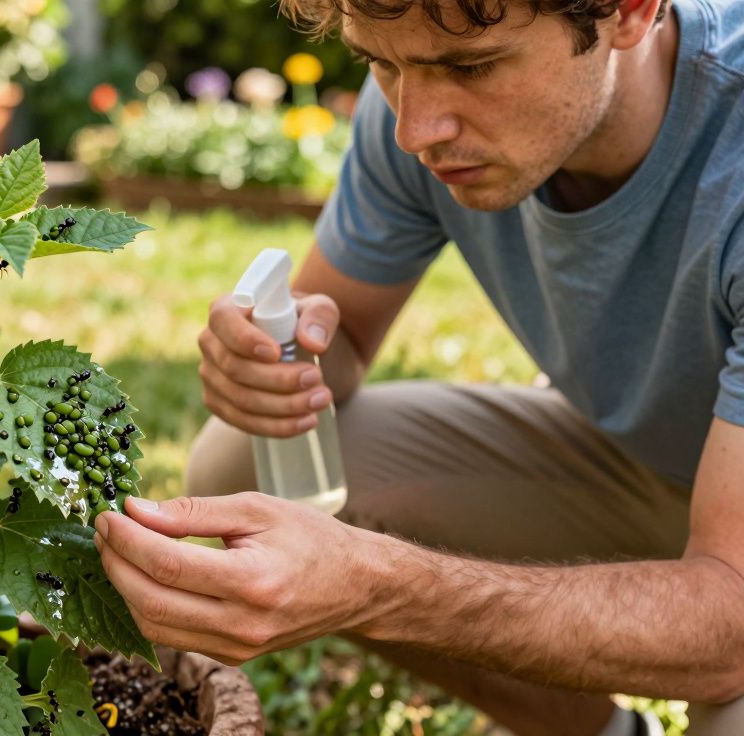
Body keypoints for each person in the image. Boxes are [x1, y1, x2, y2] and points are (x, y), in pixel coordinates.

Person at [91, 0, 744, 732]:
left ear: (630, 12)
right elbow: (338, 345)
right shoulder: (419, 84)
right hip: (655, 465)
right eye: (381, 63)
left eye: (473, 66)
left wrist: (381, 585)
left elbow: (730, 626)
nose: (414, 129)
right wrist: (274, 363)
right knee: (246, 461)